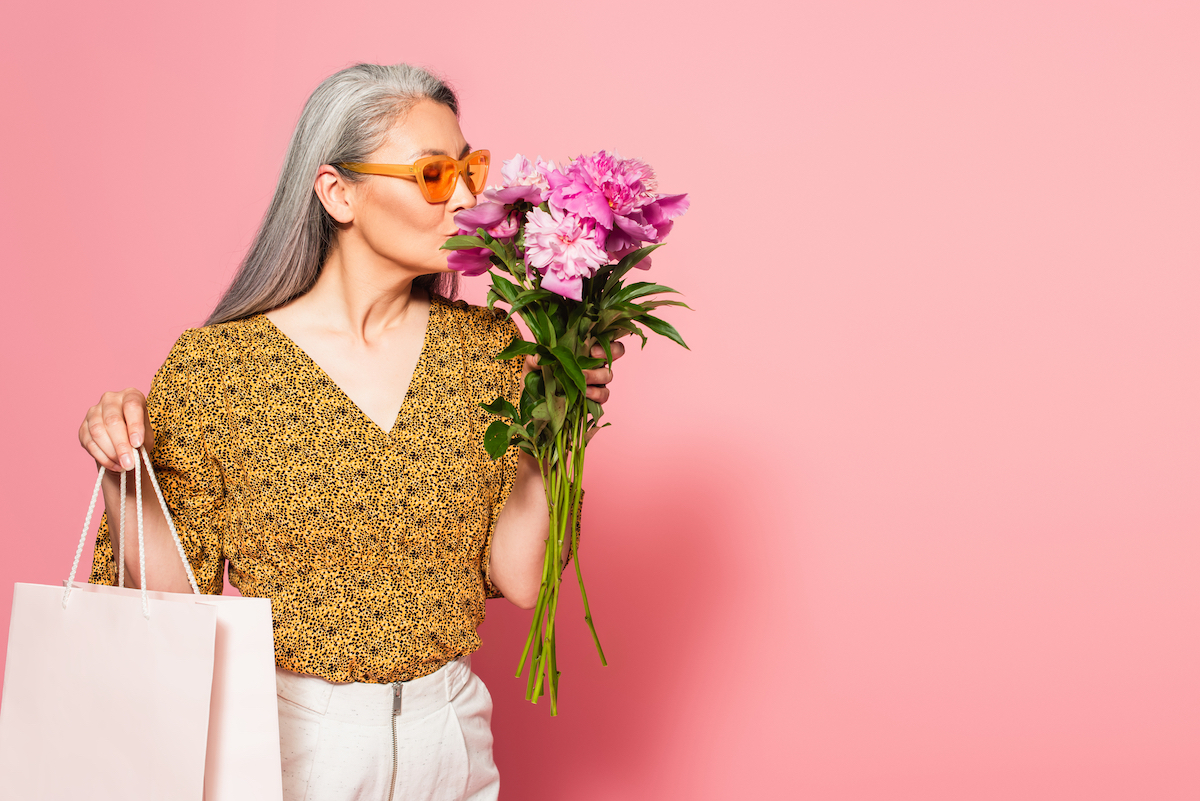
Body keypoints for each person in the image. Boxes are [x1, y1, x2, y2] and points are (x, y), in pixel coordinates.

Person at [76, 63, 623, 801]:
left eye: (469, 169)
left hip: (453, 732)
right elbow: (177, 601)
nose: (466, 198)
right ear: (338, 193)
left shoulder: (491, 349)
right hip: (296, 743)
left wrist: (561, 421)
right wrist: (124, 472)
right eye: (433, 174)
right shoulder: (221, 369)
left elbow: (522, 580)